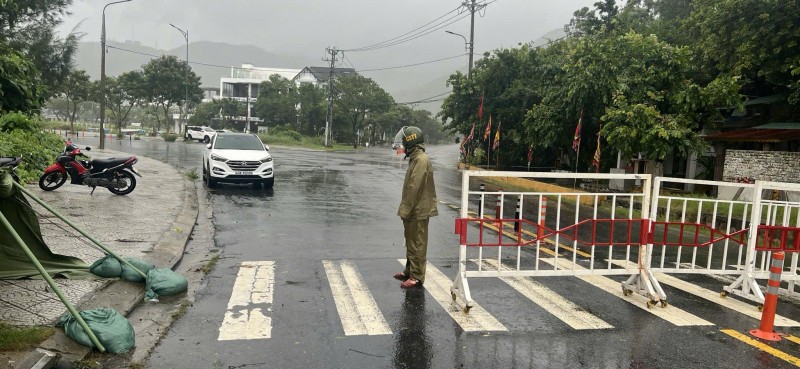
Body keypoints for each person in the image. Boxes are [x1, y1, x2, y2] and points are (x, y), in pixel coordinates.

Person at [393, 126, 438, 288]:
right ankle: (409, 271)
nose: (402, 144)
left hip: (417, 210)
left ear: (411, 141)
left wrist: (405, 209)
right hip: (414, 209)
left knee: (417, 243)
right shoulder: (416, 157)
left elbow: (414, 187)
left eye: (404, 141)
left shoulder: (420, 160)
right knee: (411, 241)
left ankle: (416, 276)